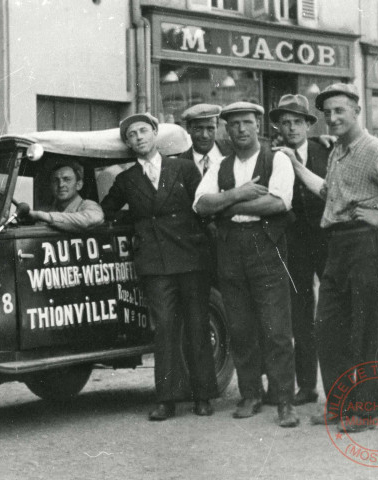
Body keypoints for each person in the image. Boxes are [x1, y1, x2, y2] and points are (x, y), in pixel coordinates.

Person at [280, 83, 378, 432]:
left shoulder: (374, 148)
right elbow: (329, 192)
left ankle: (366, 411)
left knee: (367, 330)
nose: (332, 118)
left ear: (356, 112)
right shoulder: (339, 151)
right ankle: (338, 404)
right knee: (328, 327)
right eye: (328, 113)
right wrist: (294, 163)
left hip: (367, 243)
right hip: (339, 244)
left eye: (339, 111)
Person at [101, 113, 218, 420]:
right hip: (154, 263)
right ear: (128, 143)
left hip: (191, 258)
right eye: (131, 135)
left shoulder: (183, 167)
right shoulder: (125, 180)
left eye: (143, 131)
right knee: (164, 328)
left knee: (196, 323)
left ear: (154, 134)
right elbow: (105, 212)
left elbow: (203, 207)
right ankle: (167, 399)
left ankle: (203, 395)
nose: (138, 137)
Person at [194, 101, 299, 428]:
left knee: (275, 327)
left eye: (246, 123)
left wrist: (224, 205)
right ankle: (250, 393)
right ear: (226, 128)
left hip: (265, 246)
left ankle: (284, 400)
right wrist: (238, 194)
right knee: (240, 326)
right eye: (234, 124)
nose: (240, 129)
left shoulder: (277, 158)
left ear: (258, 126)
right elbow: (200, 204)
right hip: (230, 249)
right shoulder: (221, 165)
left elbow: (278, 202)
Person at [269, 94, 330, 406]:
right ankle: (306, 386)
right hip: (294, 245)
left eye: (297, 121)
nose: (290, 127)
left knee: (334, 311)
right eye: (285, 122)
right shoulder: (274, 155)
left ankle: (342, 386)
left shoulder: (327, 149)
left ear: (309, 125)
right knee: (301, 314)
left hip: (329, 241)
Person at [28, 159, 104, 232]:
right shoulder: (45, 211)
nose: (61, 185)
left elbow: (90, 219)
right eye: (55, 180)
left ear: (78, 185)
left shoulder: (89, 206)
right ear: (50, 186)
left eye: (67, 179)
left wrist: (43, 216)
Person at [178, 104, 231, 176]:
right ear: (188, 128)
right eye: (198, 129)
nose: (204, 135)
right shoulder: (179, 164)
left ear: (217, 127)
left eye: (210, 129)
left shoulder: (234, 151)